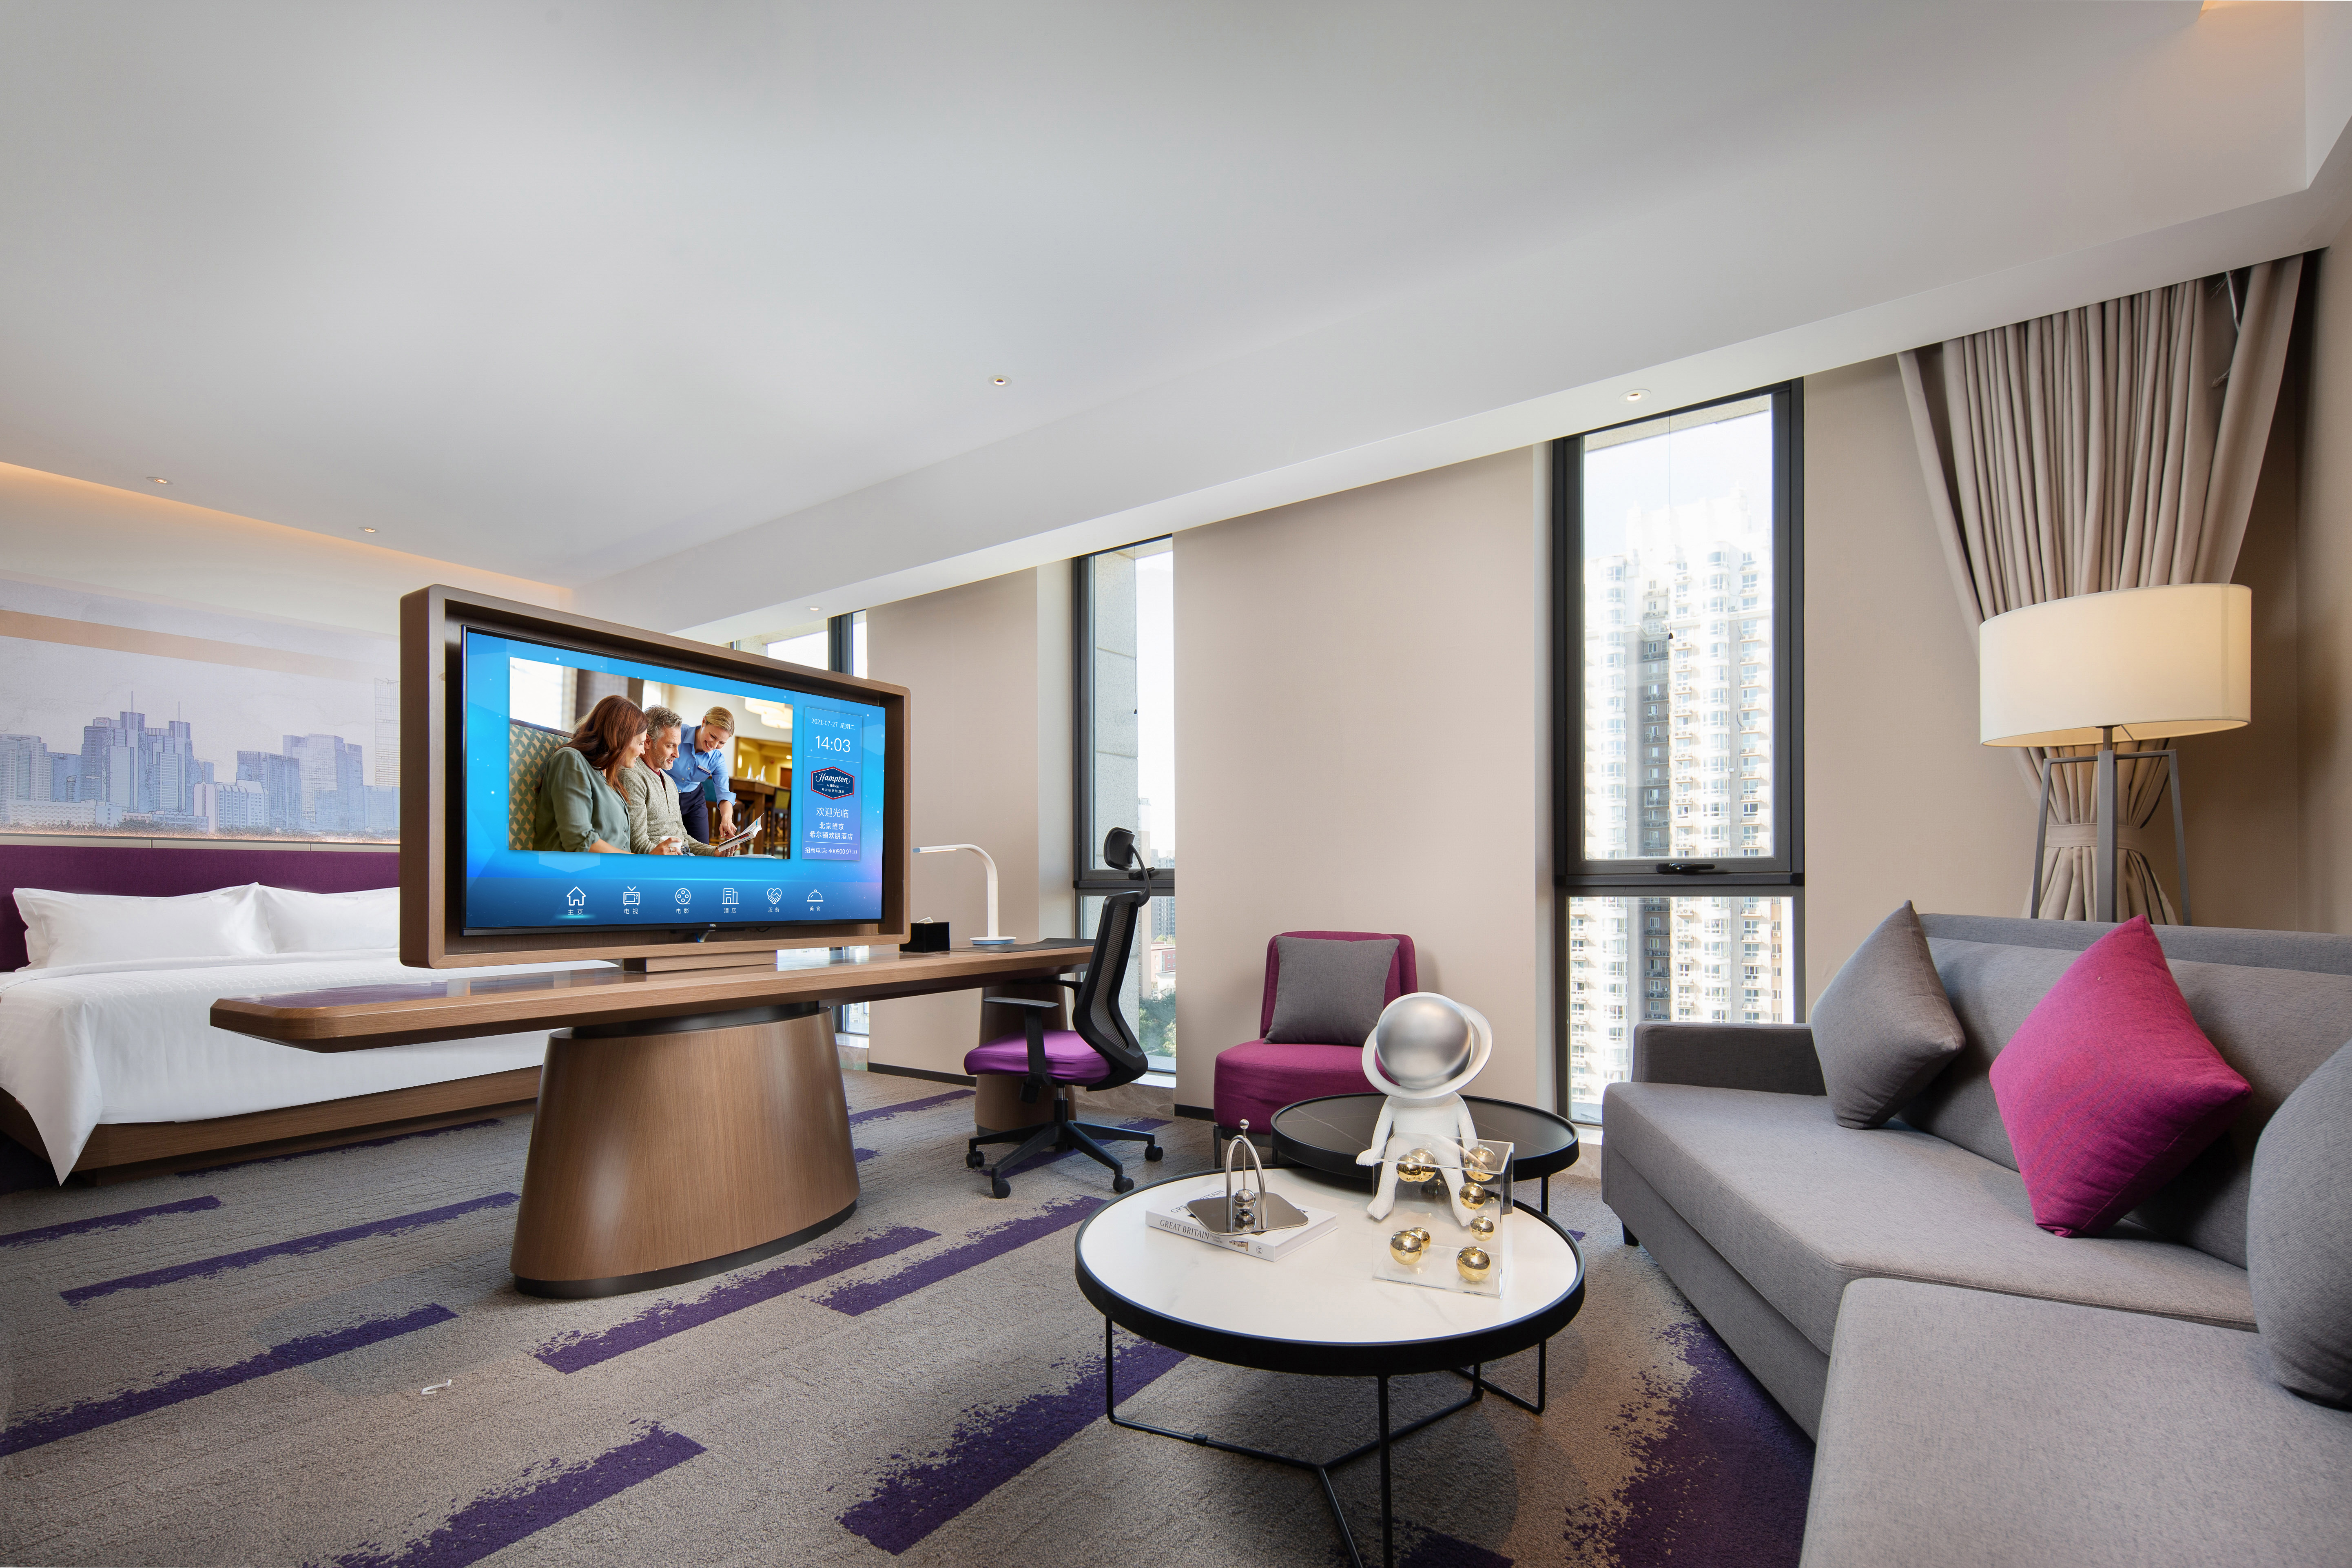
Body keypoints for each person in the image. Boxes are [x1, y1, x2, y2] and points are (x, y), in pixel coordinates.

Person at [530, 694, 647, 853]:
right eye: (640, 743)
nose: (643, 751)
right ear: (620, 737)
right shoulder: (570, 760)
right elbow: (580, 840)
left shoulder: (608, 775)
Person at [624, 706, 721, 856]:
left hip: (686, 856)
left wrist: (715, 852)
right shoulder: (633, 776)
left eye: (678, 746)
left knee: (760, 858)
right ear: (648, 741)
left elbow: (683, 837)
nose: (677, 754)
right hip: (667, 861)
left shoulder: (669, 782)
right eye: (670, 746)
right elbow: (637, 843)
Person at [666, 705, 739, 845]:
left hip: (694, 800)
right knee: (670, 844)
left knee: (702, 847)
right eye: (713, 736)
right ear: (704, 721)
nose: (714, 745)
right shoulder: (678, 733)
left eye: (722, 743)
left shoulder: (717, 759)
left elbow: (724, 793)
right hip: (664, 794)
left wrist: (727, 819)